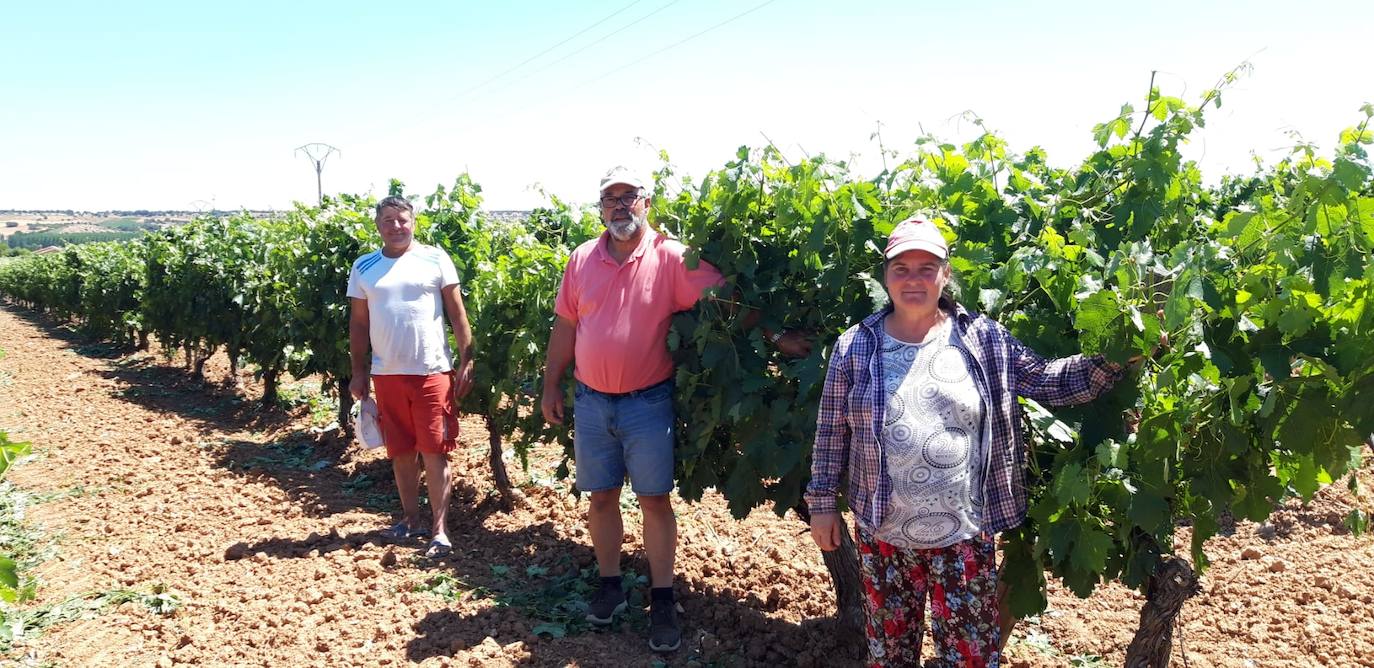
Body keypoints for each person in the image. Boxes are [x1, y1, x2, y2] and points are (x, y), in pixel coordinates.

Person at [806, 216, 1130, 667]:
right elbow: (830, 430)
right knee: (890, 654)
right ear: (886, 276)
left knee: (970, 656)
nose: (913, 279)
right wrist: (821, 501)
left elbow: (1047, 380)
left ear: (946, 274)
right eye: (902, 268)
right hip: (883, 535)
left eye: (926, 268)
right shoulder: (854, 347)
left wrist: (1116, 357)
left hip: (963, 535)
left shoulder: (982, 338)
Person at [541, 166, 807, 653]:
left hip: (647, 402)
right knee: (600, 498)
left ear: (647, 202)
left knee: (654, 501)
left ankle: (662, 599)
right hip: (592, 403)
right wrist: (549, 384)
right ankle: (610, 586)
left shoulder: (671, 257)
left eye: (630, 197)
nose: (620, 206)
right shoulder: (581, 259)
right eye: (610, 198)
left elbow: (730, 302)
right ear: (600, 207)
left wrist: (772, 334)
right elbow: (565, 326)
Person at [347, 195, 474, 559]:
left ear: (414, 221)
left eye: (402, 219)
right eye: (388, 220)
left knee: (435, 450)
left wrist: (467, 360)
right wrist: (358, 371)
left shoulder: (436, 259)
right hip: (386, 373)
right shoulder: (364, 266)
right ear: (378, 225)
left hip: (432, 370)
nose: (396, 226)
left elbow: (457, 313)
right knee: (400, 450)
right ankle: (410, 519)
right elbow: (358, 323)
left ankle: (440, 530)